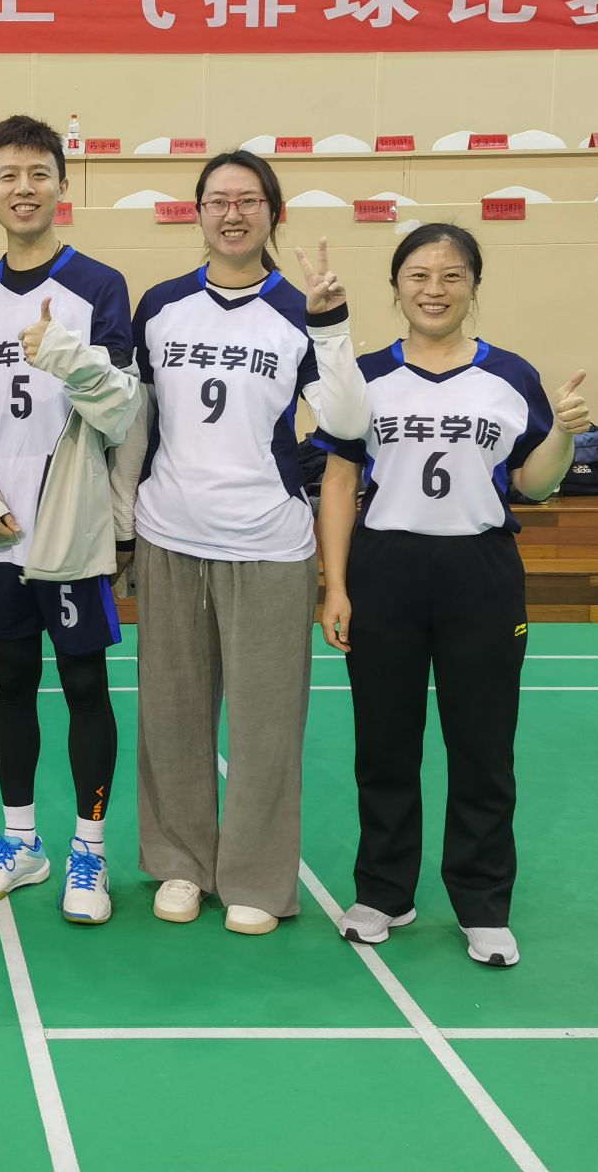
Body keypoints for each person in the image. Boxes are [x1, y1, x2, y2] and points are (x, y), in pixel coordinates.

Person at [317, 224, 591, 970]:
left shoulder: (510, 375)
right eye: (418, 274)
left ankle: (482, 903)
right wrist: (336, 584)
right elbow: (340, 480)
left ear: (473, 285)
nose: (433, 289)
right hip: (385, 567)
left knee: (482, 747)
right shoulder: (365, 375)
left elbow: (535, 484)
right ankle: (384, 892)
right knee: (384, 743)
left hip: (481, 571)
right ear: (395, 285)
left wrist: (565, 434)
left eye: (451, 275)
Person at [110, 150, 365, 934]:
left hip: (269, 543)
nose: (232, 213)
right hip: (170, 534)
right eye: (217, 199)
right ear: (197, 213)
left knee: (266, 726)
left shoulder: (299, 308)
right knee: (172, 716)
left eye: (249, 200)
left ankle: (256, 878)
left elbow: (348, 423)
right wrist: (123, 528)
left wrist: (333, 326)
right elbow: (136, 425)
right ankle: (180, 864)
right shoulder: (160, 305)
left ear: (273, 213)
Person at [0, 115, 137, 924]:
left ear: (62, 185)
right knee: (12, 681)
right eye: (8, 175)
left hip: (72, 528)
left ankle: (89, 851)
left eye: (38, 173)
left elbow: (123, 411)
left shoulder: (100, 286)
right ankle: (21, 842)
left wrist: (64, 351)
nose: (22, 189)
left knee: (86, 683)